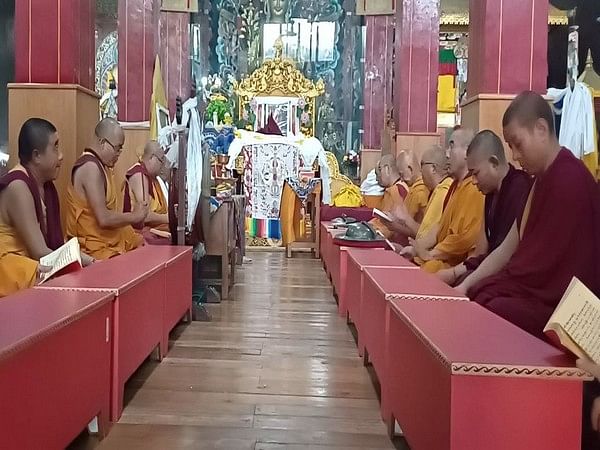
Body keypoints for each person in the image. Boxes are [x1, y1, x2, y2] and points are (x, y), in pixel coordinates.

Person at [456, 91, 600, 340]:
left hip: (563, 307)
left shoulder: (570, 180)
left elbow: (553, 275)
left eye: (517, 144)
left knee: (494, 307)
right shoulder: (539, 182)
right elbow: (509, 247)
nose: (514, 156)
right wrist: (466, 284)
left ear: (541, 130)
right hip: (538, 292)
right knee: (481, 293)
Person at [0, 118, 92, 297]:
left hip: (29, 262)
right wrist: (81, 260)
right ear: (36, 156)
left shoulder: (46, 186)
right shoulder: (18, 185)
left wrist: (88, 259)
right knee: (50, 277)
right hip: (9, 267)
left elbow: (55, 244)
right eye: (55, 147)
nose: (61, 155)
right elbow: (40, 251)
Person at [436, 130, 532, 285]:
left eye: (476, 173)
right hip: (488, 267)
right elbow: (481, 251)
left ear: (493, 163)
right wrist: (455, 274)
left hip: (511, 274)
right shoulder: (490, 194)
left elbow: (507, 255)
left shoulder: (520, 188)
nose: (473, 181)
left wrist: (454, 274)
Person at [404, 129, 484, 273]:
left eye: (452, 146)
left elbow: (465, 239)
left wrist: (432, 253)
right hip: (441, 258)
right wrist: (416, 248)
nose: (447, 154)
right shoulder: (454, 186)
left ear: (467, 151)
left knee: (426, 271)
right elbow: (440, 227)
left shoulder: (475, 188)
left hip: (459, 266)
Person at [66, 118, 147, 260]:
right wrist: (135, 216)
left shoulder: (103, 166)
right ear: (103, 143)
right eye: (117, 148)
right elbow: (103, 218)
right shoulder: (90, 167)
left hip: (109, 239)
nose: (119, 154)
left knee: (142, 245)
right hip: (93, 247)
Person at [385, 145, 452, 241]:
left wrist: (405, 218)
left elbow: (424, 235)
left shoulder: (442, 192)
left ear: (433, 168)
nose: (420, 170)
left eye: (422, 164)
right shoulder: (433, 190)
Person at [123, 141, 170, 244]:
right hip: (137, 233)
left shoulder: (154, 179)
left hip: (156, 230)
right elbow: (144, 216)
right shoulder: (139, 174)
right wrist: (169, 218)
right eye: (161, 160)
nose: (163, 164)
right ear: (152, 157)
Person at [370, 154, 409, 240]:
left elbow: (392, 223)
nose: (377, 179)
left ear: (387, 169)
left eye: (379, 170)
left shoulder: (397, 190)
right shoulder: (394, 188)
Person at [397, 150, 430, 223]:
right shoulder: (424, 186)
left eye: (401, 175)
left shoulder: (419, 192)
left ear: (410, 169)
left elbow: (406, 224)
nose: (401, 180)